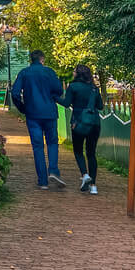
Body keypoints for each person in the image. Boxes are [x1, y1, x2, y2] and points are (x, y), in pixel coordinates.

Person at [12, 50, 65, 189]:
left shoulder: (24, 73)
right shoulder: (49, 72)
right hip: (50, 113)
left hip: (32, 114)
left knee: (38, 146)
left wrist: (23, 108)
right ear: (42, 59)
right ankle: (53, 170)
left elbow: (15, 93)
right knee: (52, 143)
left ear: (31, 59)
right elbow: (59, 90)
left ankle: (42, 181)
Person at [58, 64, 104, 195]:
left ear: (78, 74)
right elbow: (100, 106)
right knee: (91, 153)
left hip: (78, 123)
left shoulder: (73, 87)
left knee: (78, 151)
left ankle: (85, 175)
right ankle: (94, 186)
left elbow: (66, 104)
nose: (73, 73)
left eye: (74, 71)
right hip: (94, 123)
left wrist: (54, 98)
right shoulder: (94, 88)